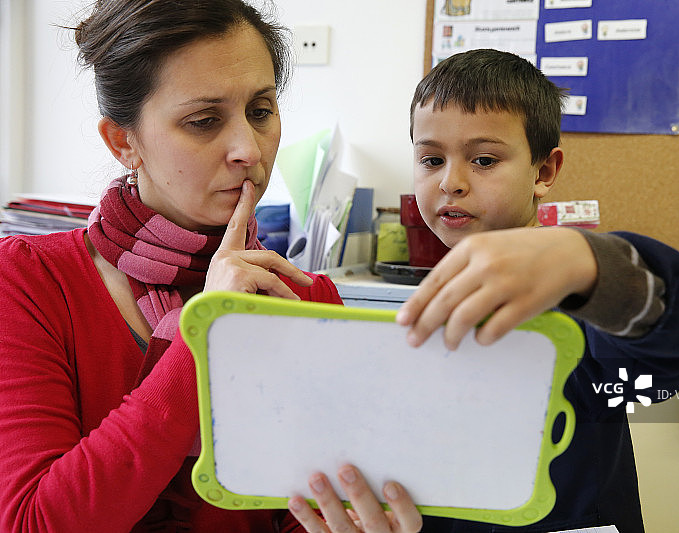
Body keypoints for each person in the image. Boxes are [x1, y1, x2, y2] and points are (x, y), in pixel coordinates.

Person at [0, 1, 421, 532]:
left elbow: (298, 513)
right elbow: (34, 522)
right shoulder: (31, 281)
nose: (248, 148)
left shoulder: (304, 298)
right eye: (203, 121)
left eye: (261, 111)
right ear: (124, 142)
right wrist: (205, 336)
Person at [395, 49, 679, 532]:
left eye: (484, 160)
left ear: (543, 172)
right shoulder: (432, 302)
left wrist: (587, 264)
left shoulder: (585, 301)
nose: (451, 182)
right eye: (431, 159)